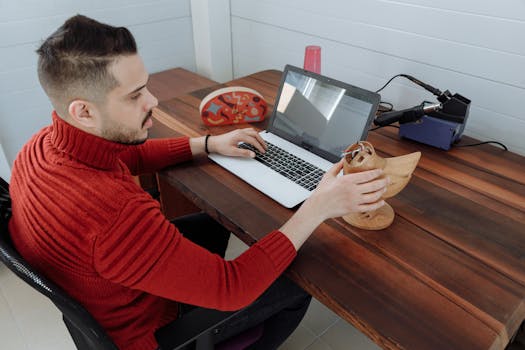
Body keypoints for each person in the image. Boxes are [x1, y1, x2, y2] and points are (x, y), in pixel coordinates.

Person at [8, 15, 389, 350]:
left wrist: (208, 143)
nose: (152, 101)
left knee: (218, 220)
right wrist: (319, 205)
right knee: (297, 282)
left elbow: (129, 155)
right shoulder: (115, 216)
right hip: (151, 332)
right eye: (136, 95)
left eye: (147, 85)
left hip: (110, 296)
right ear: (84, 111)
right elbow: (231, 287)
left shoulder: (40, 147)